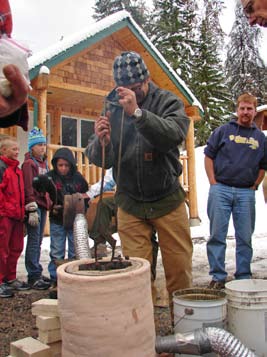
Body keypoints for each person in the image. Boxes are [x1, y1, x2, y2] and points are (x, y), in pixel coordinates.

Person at [85, 51, 193, 311]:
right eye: (126, 89)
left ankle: (186, 334)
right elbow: (101, 158)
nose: (132, 93)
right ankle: (143, 338)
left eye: (137, 88)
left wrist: (138, 113)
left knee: (180, 273)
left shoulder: (168, 101)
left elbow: (173, 135)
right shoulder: (111, 106)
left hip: (168, 200)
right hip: (131, 203)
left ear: (147, 79)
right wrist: (102, 142)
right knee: (137, 275)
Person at [204, 93, 267, 290]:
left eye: (249, 108)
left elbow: (263, 165)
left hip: (245, 194)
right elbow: (208, 156)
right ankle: (217, 277)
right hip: (220, 190)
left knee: (244, 237)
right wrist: (213, 182)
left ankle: (243, 277)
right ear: (237, 109)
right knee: (217, 235)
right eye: (242, 108)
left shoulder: (260, 138)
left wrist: (254, 185)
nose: (246, 112)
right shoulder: (223, 131)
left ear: (255, 110)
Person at [46, 147, 89, 287]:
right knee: (57, 250)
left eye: (66, 165)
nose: (63, 168)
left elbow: (86, 197)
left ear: (71, 164)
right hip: (57, 220)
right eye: (60, 165)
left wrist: (83, 211)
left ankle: (73, 277)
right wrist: (52, 206)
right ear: (55, 165)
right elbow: (43, 196)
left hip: (75, 221)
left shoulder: (78, 179)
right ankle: (55, 278)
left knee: (74, 250)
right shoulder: (50, 178)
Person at [0, 136, 30, 298]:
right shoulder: (2, 168)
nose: (17, 152)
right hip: (5, 215)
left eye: (18, 149)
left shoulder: (17, 170)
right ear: (4, 150)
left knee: (16, 248)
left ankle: (10, 278)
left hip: (17, 216)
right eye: (14, 149)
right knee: (1, 249)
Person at [22, 127, 51, 290]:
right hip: (34, 207)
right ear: (32, 147)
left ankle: (37, 271)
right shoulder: (29, 164)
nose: (42, 147)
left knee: (39, 241)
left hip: (44, 205)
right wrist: (31, 207)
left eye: (44, 144)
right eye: (39, 145)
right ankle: (32, 275)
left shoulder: (44, 164)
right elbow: (28, 186)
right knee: (33, 241)